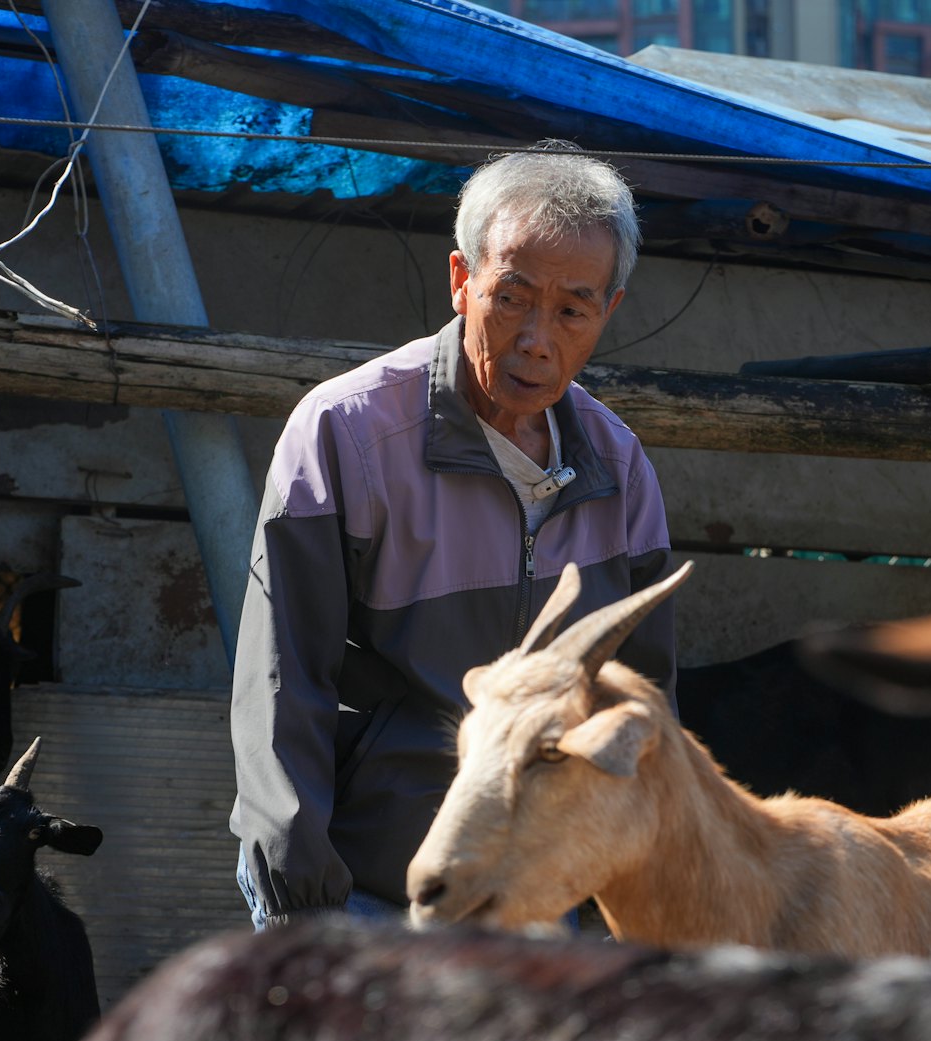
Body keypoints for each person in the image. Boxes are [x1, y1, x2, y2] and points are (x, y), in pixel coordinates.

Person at [230, 146, 677, 928]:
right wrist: (302, 898)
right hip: (371, 891)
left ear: (608, 311)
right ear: (461, 280)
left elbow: (642, 707)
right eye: (512, 297)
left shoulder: (620, 468)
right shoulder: (349, 433)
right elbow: (284, 677)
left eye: (572, 311)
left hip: (543, 903)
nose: (537, 338)